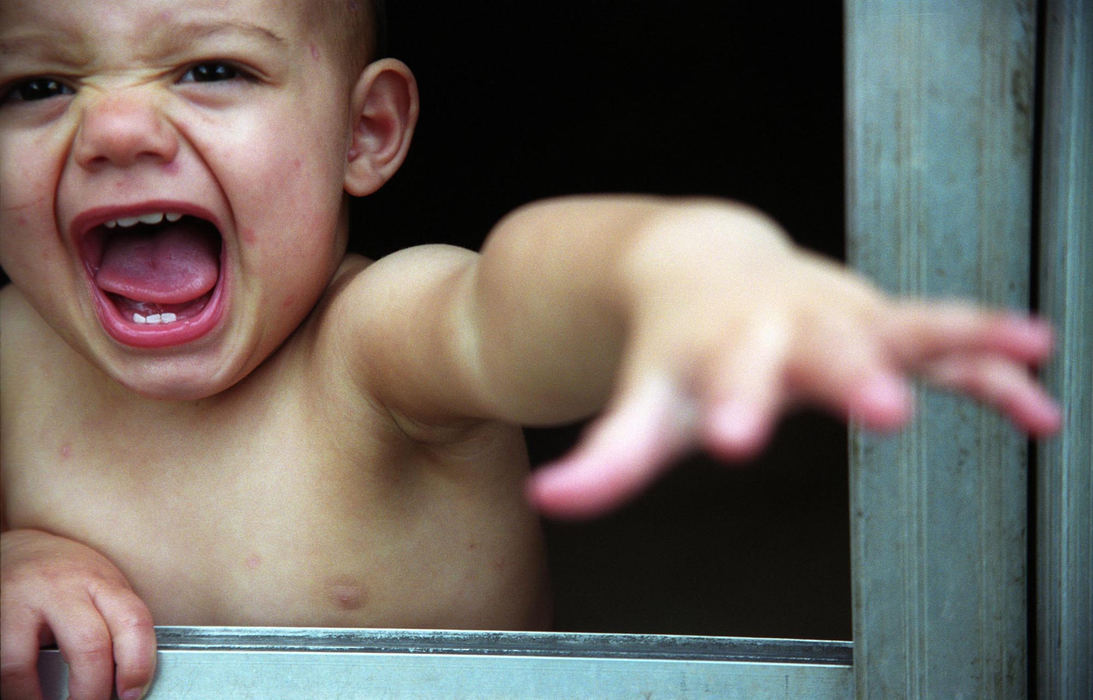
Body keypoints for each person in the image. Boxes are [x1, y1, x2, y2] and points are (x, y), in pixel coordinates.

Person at [0, 1, 1062, 699]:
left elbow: (501, 304)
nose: (118, 132)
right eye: (37, 86)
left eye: (210, 69)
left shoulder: (366, 351)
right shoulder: (14, 358)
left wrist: (667, 268)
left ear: (365, 134)